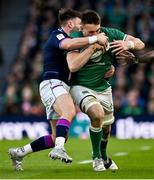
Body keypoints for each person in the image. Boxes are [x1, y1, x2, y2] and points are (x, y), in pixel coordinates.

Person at [8, 8, 109, 171]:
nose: (81, 25)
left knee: (58, 137)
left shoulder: (73, 40)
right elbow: (67, 45)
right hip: (52, 82)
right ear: (70, 23)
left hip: (59, 85)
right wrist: (95, 38)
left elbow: (76, 62)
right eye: (78, 22)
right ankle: (59, 149)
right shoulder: (58, 35)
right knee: (69, 112)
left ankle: (19, 152)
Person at [66, 10, 145, 171]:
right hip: (80, 86)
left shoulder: (111, 34)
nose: (96, 34)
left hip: (103, 87)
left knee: (106, 128)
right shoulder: (74, 39)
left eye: (97, 31)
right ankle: (96, 157)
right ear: (82, 29)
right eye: (91, 32)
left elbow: (140, 43)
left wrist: (127, 44)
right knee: (97, 114)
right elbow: (73, 66)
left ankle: (104, 155)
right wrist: (93, 46)